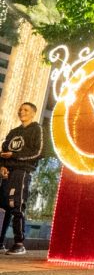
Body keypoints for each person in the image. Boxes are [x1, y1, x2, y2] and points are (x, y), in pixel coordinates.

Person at [0, 102, 43, 255]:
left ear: (33, 113)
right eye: (20, 109)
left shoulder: (37, 129)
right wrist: (2, 166)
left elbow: (38, 152)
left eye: (25, 110)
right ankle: (1, 242)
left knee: (17, 205)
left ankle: (19, 243)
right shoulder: (13, 132)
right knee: (3, 206)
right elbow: (3, 151)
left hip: (22, 171)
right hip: (7, 172)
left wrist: (14, 155)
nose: (21, 112)